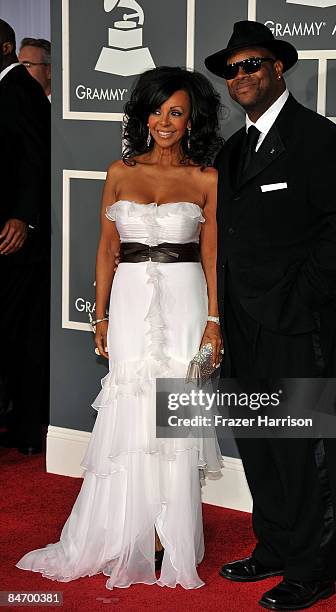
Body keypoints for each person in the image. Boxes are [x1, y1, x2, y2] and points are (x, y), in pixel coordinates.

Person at [17, 66, 223, 590]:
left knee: (171, 410)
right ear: (143, 115)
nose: (164, 121)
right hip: (129, 299)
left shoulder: (206, 178)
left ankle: (164, 532)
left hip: (184, 299)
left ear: (192, 118)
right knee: (131, 407)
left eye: (176, 112)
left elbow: (214, 257)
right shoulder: (119, 171)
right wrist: (101, 313)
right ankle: (125, 524)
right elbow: (107, 248)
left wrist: (214, 321)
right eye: (156, 110)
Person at [205, 21, 336, 611]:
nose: (241, 76)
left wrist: (300, 301)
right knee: (259, 443)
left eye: (252, 64)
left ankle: (314, 569)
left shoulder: (320, 140)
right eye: (231, 69)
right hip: (243, 326)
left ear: (279, 68)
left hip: (301, 325)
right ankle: (275, 546)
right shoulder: (233, 150)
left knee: (305, 448)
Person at [0, 19, 51, 455]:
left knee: (21, 334)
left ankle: (25, 427)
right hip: (11, 236)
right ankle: (20, 426)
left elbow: (36, 155)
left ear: (5, 47)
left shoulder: (19, 88)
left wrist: (23, 217)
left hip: (18, 239)